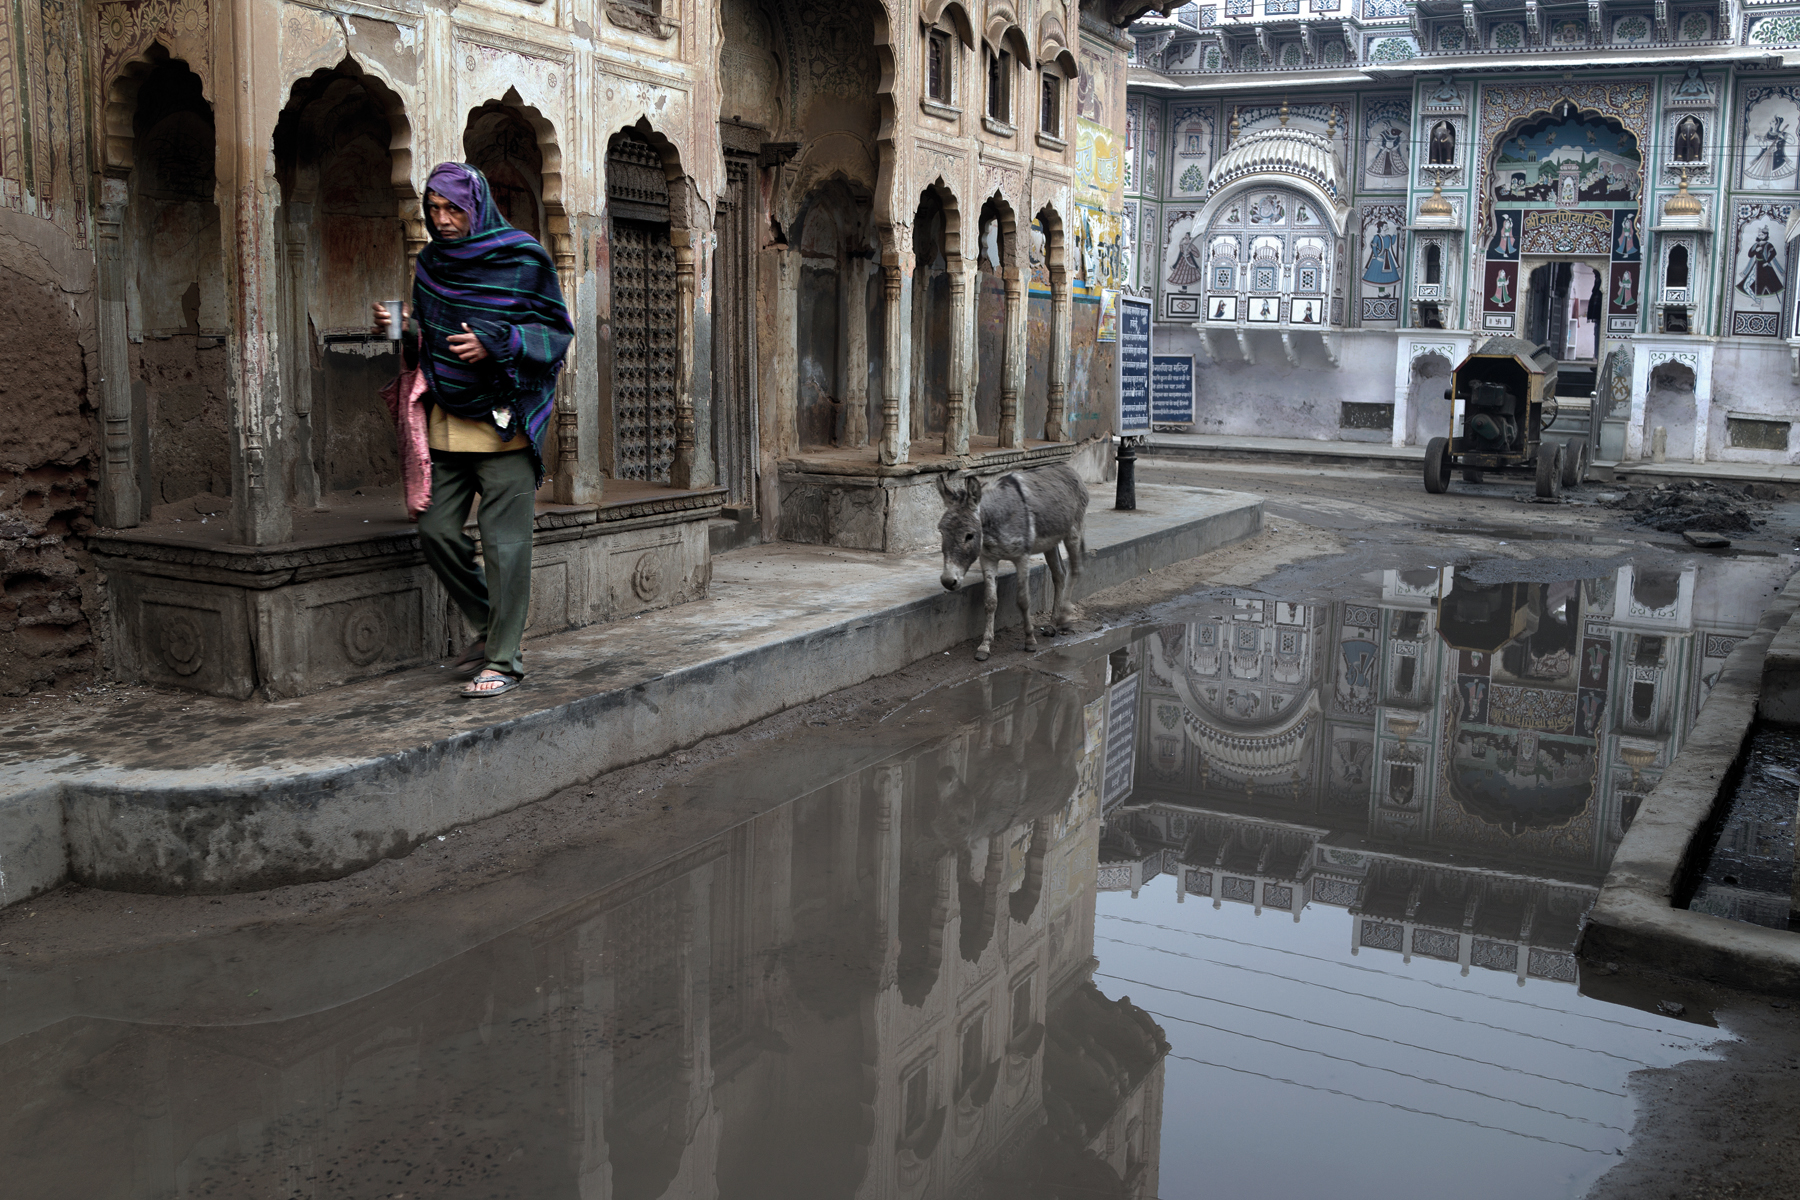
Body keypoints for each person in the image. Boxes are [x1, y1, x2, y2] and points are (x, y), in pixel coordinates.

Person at [373, 163, 573, 698]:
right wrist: (403, 328)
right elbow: (428, 339)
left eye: (453, 209)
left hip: (502, 426)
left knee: (506, 545)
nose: (442, 220)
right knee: (436, 529)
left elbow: (555, 331)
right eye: (433, 209)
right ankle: (489, 629)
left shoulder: (522, 257)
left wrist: (499, 343)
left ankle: (505, 661)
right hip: (444, 424)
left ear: (476, 206)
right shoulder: (432, 264)